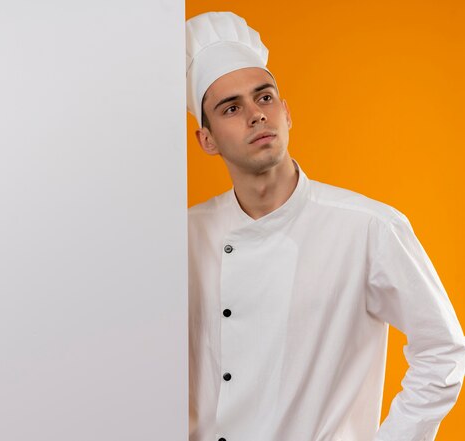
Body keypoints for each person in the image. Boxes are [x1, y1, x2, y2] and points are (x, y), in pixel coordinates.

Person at [186, 11, 465, 441]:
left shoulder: (368, 228)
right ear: (207, 140)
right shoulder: (184, 237)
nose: (256, 115)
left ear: (287, 112)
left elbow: (444, 350)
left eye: (264, 98)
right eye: (231, 108)